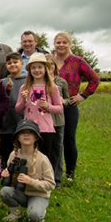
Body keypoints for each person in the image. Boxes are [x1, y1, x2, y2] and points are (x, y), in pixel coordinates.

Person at [53, 32, 99, 182]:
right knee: (52, 138)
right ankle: (52, 171)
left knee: (69, 138)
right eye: (58, 42)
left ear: (69, 44)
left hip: (69, 105)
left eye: (64, 42)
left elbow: (94, 79)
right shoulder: (50, 60)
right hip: (51, 106)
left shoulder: (77, 61)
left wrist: (83, 95)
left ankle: (70, 173)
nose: (61, 45)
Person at [0, 120, 55, 222]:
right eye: (22, 132)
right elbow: (10, 177)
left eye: (30, 132)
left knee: (34, 216)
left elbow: (51, 184)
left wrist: (31, 181)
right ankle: (16, 213)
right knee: (5, 191)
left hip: (38, 194)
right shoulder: (13, 155)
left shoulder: (43, 159)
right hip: (21, 193)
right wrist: (6, 174)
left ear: (36, 137)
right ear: (17, 137)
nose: (26, 134)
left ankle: (39, 212)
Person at [15, 53, 63, 175]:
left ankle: (44, 180)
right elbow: (18, 109)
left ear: (45, 69)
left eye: (40, 67)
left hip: (46, 128)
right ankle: (27, 179)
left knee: (45, 156)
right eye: (33, 68)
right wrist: (24, 100)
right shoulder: (25, 87)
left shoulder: (52, 88)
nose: (37, 70)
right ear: (30, 70)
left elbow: (60, 108)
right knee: (28, 155)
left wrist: (48, 107)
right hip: (29, 127)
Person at [45, 54, 69, 187]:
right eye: (46, 65)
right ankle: (45, 177)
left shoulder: (61, 82)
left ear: (55, 66)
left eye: (52, 65)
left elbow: (68, 99)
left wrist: (61, 101)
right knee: (45, 150)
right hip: (43, 120)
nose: (49, 68)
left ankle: (57, 179)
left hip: (58, 120)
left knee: (57, 149)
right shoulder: (40, 82)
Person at [0, 52, 26, 168]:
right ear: (6, 66)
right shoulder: (3, 82)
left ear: (22, 63)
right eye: (9, 63)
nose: (12, 65)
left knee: (22, 148)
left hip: (22, 121)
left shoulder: (27, 80)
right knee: (6, 149)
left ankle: (21, 171)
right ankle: (6, 170)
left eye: (15, 62)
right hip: (6, 123)